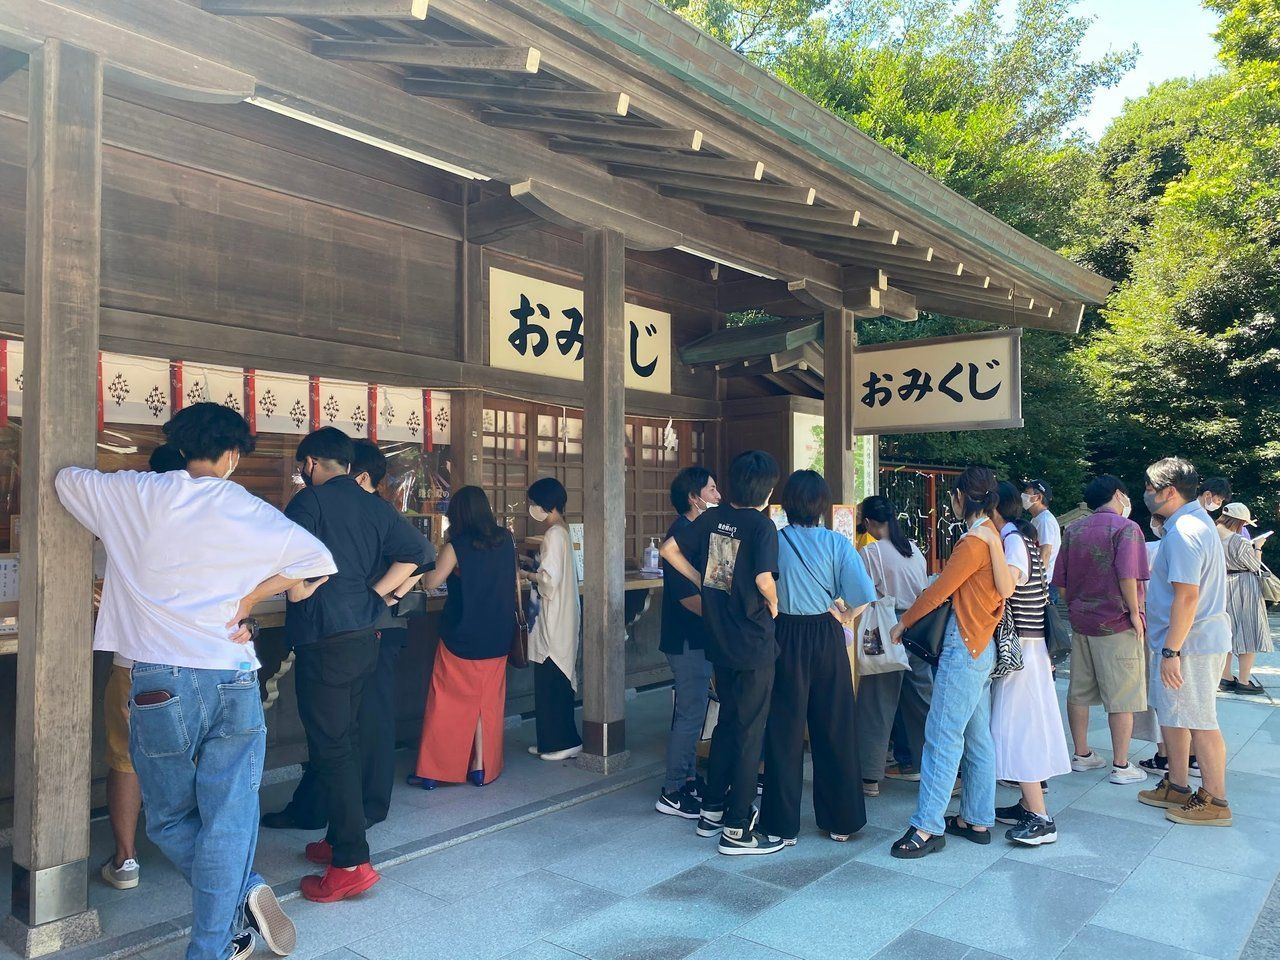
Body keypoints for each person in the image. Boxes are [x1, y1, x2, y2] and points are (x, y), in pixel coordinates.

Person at [57, 402, 337, 960]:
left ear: (182, 448)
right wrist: (250, 599)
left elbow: (66, 479)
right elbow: (318, 561)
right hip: (233, 678)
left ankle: (243, 895)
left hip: (158, 681)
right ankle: (225, 922)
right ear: (233, 455)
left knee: (166, 819)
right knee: (230, 819)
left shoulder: (135, 494)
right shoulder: (244, 505)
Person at [278, 427, 428, 902]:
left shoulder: (310, 502)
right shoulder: (373, 503)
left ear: (312, 463)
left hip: (324, 639)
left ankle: (351, 861)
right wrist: (377, 595)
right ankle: (338, 837)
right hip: (365, 636)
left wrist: (294, 589)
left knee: (331, 747)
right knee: (347, 739)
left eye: (304, 467)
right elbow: (419, 553)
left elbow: (283, 559)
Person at [661, 450, 784, 856]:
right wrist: (775, 604)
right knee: (750, 731)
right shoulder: (762, 526)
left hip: (719, 641)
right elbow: (764, 577)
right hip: (751, 641)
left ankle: (712, 809)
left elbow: (669, 551)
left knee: (728, 723)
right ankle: (736, 828)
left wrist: (704, 583)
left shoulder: (714, 518)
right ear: (766, 489)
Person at [887, 465, 1012, 860]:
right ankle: (977, 818)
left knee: (941, 736)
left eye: (953, 497)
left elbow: (939, 591)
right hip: (982, 646)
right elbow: (1003, 588)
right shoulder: (992, 537)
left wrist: (901, 623)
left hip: (964, 646)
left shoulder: (973, 541)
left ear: (961, 498)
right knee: (977, 738)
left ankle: (927, 827)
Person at [761, 470, 874, 844]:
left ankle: (782, 825)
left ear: (787, 504)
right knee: (835, 726)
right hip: (826, 635)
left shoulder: (773, 542)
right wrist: (842, 616)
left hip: (784, 635)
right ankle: (841, 820)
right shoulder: (838, 543)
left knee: (784, 730)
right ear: (823, 505)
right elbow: (861, 597)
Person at [98, 442, 189, 892]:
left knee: (126, 759)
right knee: (193, 756)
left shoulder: (124, 521)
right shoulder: (206, 519)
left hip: (134, 662)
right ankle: (192, 853)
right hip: (194, 664)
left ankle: (126, 859)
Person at [1136, 457, 1233, 826]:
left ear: (1169, 492)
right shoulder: (1189, 524)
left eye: (1149, 487)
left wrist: (1172, 650)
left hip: (1189, 643)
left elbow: (1187, 596)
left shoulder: (1185, 531)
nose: (1145, 493)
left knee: (1199, 719)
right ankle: (1177, 785)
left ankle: (1216, 800)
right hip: (1182, 641)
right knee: (1174, 714)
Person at [406, 486, 516, 787]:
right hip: (498, 634)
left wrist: (421, 563)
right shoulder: (506, 540)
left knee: (447, 701)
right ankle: (482, 767)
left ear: (456, 513)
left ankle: (435, 771)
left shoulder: (456, 546)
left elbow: (431, 582)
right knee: (487, 702)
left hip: (463, 634)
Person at [988, 482, 1072, 845]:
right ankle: (1028, 804)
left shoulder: (1010, 541)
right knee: (1025, 722)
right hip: (1030, 644)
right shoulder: (1023, 536)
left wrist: (988, 545)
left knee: (1020, 725)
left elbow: (1008, 585)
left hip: (1020, 645)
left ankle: (1040, 817)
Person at [1053, 475, 1150, 784]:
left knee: (1078, 691)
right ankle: (1121, 765)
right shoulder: (1127, 529)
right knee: (1122, 694)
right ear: (1119, 494)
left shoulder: (1074, 530)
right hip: (1117, 621)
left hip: (1082, 621)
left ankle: (1082, 755)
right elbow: (1128, 575)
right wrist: (1135, 612)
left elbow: (1062, 585)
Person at [855, 495, 931, 795]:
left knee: (877, 700)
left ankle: (869, 775)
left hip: (887, 627)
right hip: (918, 626)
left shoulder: (871, 552)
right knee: (921, 700)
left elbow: (862, 593)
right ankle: (934, 768)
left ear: (871, 523)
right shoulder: (914, 549)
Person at [656, 466, 721, 819]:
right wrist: (721, 620)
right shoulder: (681, 534)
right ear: (694, 497)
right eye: (711, 490)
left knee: (696, 712)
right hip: (686, 639)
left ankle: (689, 777)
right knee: (690, 712)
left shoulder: (698, 533)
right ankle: (673, 790)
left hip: (698, 638)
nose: (718, 495)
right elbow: (686, 597)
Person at [522, 477, 583, 760]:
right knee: (550, 680)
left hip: (554, 617)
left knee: (553, 679)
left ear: (545, 504)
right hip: (562, 615)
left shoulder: (553, 535)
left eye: (534, 503)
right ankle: (550, 740)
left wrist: (527, 574)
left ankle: (564, 741)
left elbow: (549, 580)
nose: (531, 508)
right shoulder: (562, 530)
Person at [1217, 503, 1271, 695]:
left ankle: (1225, 677)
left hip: (1222, 585)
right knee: (1249, 631)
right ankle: (1244, 680)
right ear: (1239, 521)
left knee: (1227, 632)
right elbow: (1255, 565)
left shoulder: (1212, 535)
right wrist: (1258, 547)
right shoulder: (1238, 540)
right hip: (1244, 586)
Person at [1022, 479, 1061, 595]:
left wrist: (1038, 581)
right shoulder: (1037, 519)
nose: (1023, 495)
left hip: (1045, 583)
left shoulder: (1045, 521)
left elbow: (1046, 552)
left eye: (1027, 492)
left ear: (1037, 497)